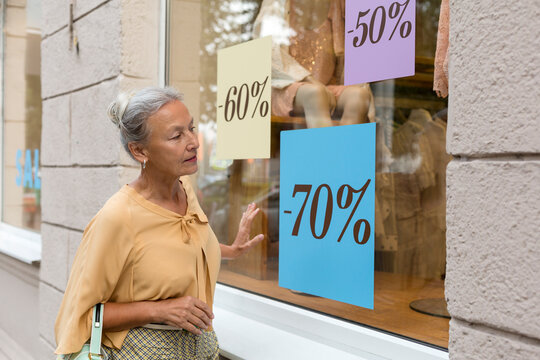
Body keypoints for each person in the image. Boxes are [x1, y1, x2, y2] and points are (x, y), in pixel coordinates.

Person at [54, 87, 265, 359]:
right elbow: (80, 314)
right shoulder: (119, 216)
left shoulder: (185, 191)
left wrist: (231, 251)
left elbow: (171, 248)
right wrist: (159, 309)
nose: (193, 141)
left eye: (191, 128)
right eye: (177, 135)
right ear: (140, 151)